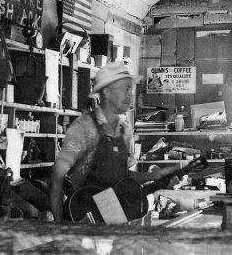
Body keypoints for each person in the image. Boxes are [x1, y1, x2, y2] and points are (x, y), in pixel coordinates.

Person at [50, 61, 180, 222]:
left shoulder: (124, 131)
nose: (130, 95)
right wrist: (58, 224)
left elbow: (123, 177)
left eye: (130, 89)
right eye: (125, 89)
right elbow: (57, 178)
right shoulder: (83, 127)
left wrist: (154, 176)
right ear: (107, 91)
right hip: (84, 214)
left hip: (112, 213)